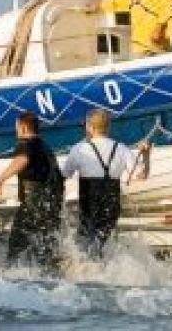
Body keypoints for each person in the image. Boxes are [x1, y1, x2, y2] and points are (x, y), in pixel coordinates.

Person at [61, 109, 151, 259]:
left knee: (86, 243)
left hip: (89, 202)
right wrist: (146, 155)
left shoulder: (79, 149)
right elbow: (142, 176)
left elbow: (64, 175)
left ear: (90, 127)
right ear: (108, 127)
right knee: (102, 241)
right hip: (112, 201)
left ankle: (90, 273)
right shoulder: (121, 148)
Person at [0, 112, 65, 271]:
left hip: (33, 206)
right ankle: (52, 277)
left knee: (17, 244)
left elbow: (22, 160)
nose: (16, 132)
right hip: (51, 205)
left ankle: (11, 277)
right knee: (46, 245)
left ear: (23, 128)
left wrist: (0, 180)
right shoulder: (45, 147)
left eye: (16, 128)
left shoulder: (26, 144)